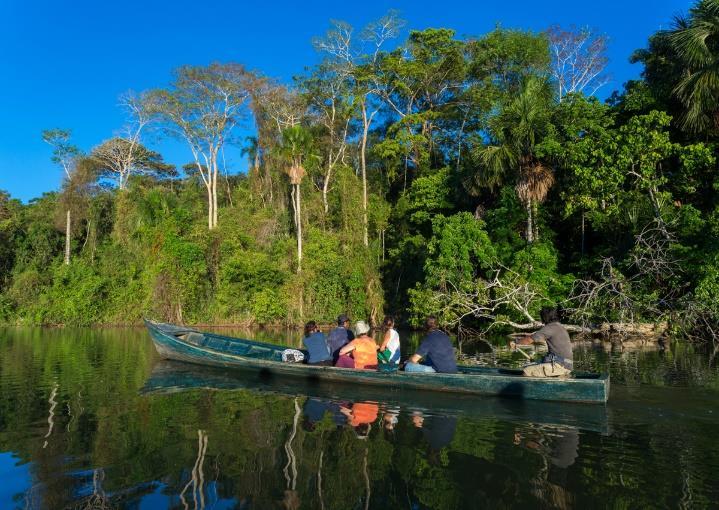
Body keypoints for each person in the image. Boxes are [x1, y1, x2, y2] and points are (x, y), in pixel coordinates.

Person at [510, 306, 573, 377]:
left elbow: (529, 340)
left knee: (527, 371)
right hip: (566, 365)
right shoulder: (560, 327)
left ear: (544, 317)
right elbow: (537, 339)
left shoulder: (550, 328)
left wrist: (516, 342)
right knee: (533, 364)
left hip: (559, 365)